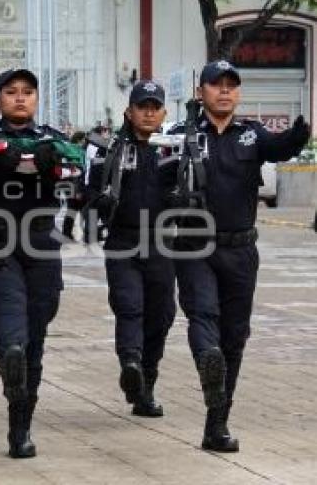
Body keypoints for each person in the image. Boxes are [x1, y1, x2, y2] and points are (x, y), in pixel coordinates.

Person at [168, 60, 309, 452]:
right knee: (203, 315)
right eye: (217, 85)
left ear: (238, 93)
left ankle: (217, 425)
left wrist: (301, 130)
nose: (225, 91)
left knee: (235, 337)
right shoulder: (180, 136)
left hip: (241, 251)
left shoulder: (252, 135)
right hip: (195, 246)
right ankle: (207, 360)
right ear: (202, 92)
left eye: (232, 85)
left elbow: (282, 148)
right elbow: (155, 175)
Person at [0, 68, 83, 458]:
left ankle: (21, 427)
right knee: (11, 304)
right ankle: (9, 354)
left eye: (27, 92)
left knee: (37, 330)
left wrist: (54, 155)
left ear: (36, 98)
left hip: (40, 242)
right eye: (11, 92)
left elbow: (78, 157)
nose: (19, 98)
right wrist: (0, 154)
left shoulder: (48, 135)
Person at [86, 80, 177, 417]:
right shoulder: (108, 150)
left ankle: (145, 384)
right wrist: (101, 203)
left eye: (155, 107)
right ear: (130, 111)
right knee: (129, 306)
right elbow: (88, 198)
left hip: (162, 244)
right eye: (143, 106)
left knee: (163, 315)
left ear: (165, 112)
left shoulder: (174, 149)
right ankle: (131, 364)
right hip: (123, 241)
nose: (149, 112)